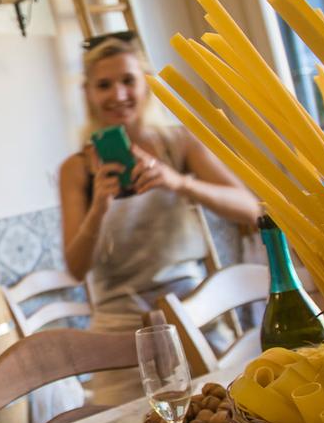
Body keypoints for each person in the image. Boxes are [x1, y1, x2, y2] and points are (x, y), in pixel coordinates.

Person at [58, 35, 260, 403]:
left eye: (127, 80)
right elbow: (74, 269)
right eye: (104, 85)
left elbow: (250, 208)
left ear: (146, 83)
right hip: (120, 337)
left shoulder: (179, 144)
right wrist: (98, 209)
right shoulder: (76, 169)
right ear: (88, 93)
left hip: (196, 315)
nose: (118, 94)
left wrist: (178, 181)